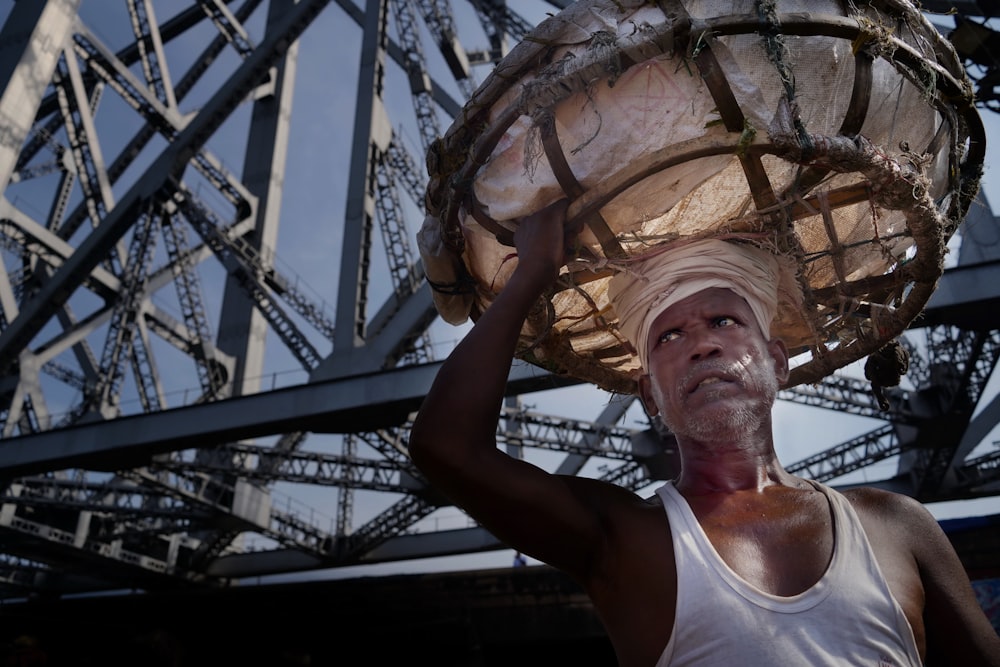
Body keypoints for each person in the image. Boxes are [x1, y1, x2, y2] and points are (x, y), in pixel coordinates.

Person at [407, 199, 1000, 666]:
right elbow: (446, 447)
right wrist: (530, 273)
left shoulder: (897, 526)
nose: (702, 344)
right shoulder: (624, 539)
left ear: (776, 360)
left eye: (723, 321)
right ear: (648, 393)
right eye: (669, 337)